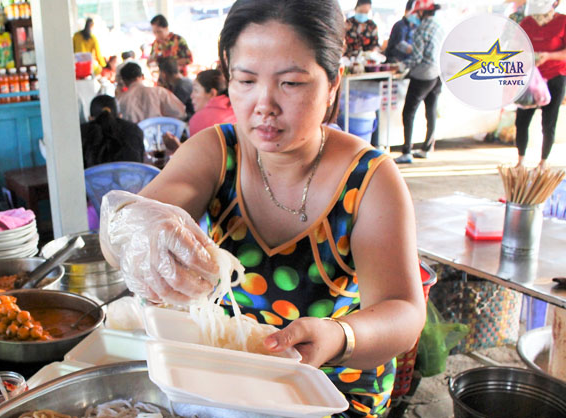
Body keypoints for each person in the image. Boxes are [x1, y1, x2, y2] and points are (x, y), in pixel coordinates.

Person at [99, 1, 425, 417]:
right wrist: (137, 230)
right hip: (224, 385)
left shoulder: (370, 180)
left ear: (333, 85)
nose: (264, 104)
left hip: (331, 395)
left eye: (291, 83)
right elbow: (125, 223)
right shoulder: (219, 152)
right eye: (246, 80)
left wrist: (338, 336)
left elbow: (403, 312)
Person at [515, 0, 566, 169]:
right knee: (522, 120)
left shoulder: (563, 22)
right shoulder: (527, 22)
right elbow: (515, 47)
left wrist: (548, 56)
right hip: (529, 77)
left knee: (549, 121)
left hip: (555, 76)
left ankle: (543, 162)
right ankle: (520, 160)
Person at [395, 0, 444, 164]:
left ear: (422, 12)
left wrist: (402, 67)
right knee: (431, 111)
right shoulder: (439, 26)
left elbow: (416, 58)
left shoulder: (421, 30)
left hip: (423, 75)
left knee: (408, 112)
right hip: (438, 74)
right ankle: (427, 148)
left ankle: (406, 151)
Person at [80, 95, 144, 168]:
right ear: (120, 116)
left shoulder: (81, 132)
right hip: (131, 179)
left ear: (90, 118)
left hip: (92, 179)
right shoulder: (134, 130)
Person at [117, 62, 186, 124]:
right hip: (161, 135)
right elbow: (181, 113)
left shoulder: (120, 99)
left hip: (134, 137)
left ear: (124, 81)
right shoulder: (159, 92)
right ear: (142, 77)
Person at [188, 69, 237, 135]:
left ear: (212, 93)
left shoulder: (199, 120)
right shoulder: (238, 111)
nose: (191, 96)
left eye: (196, 90)